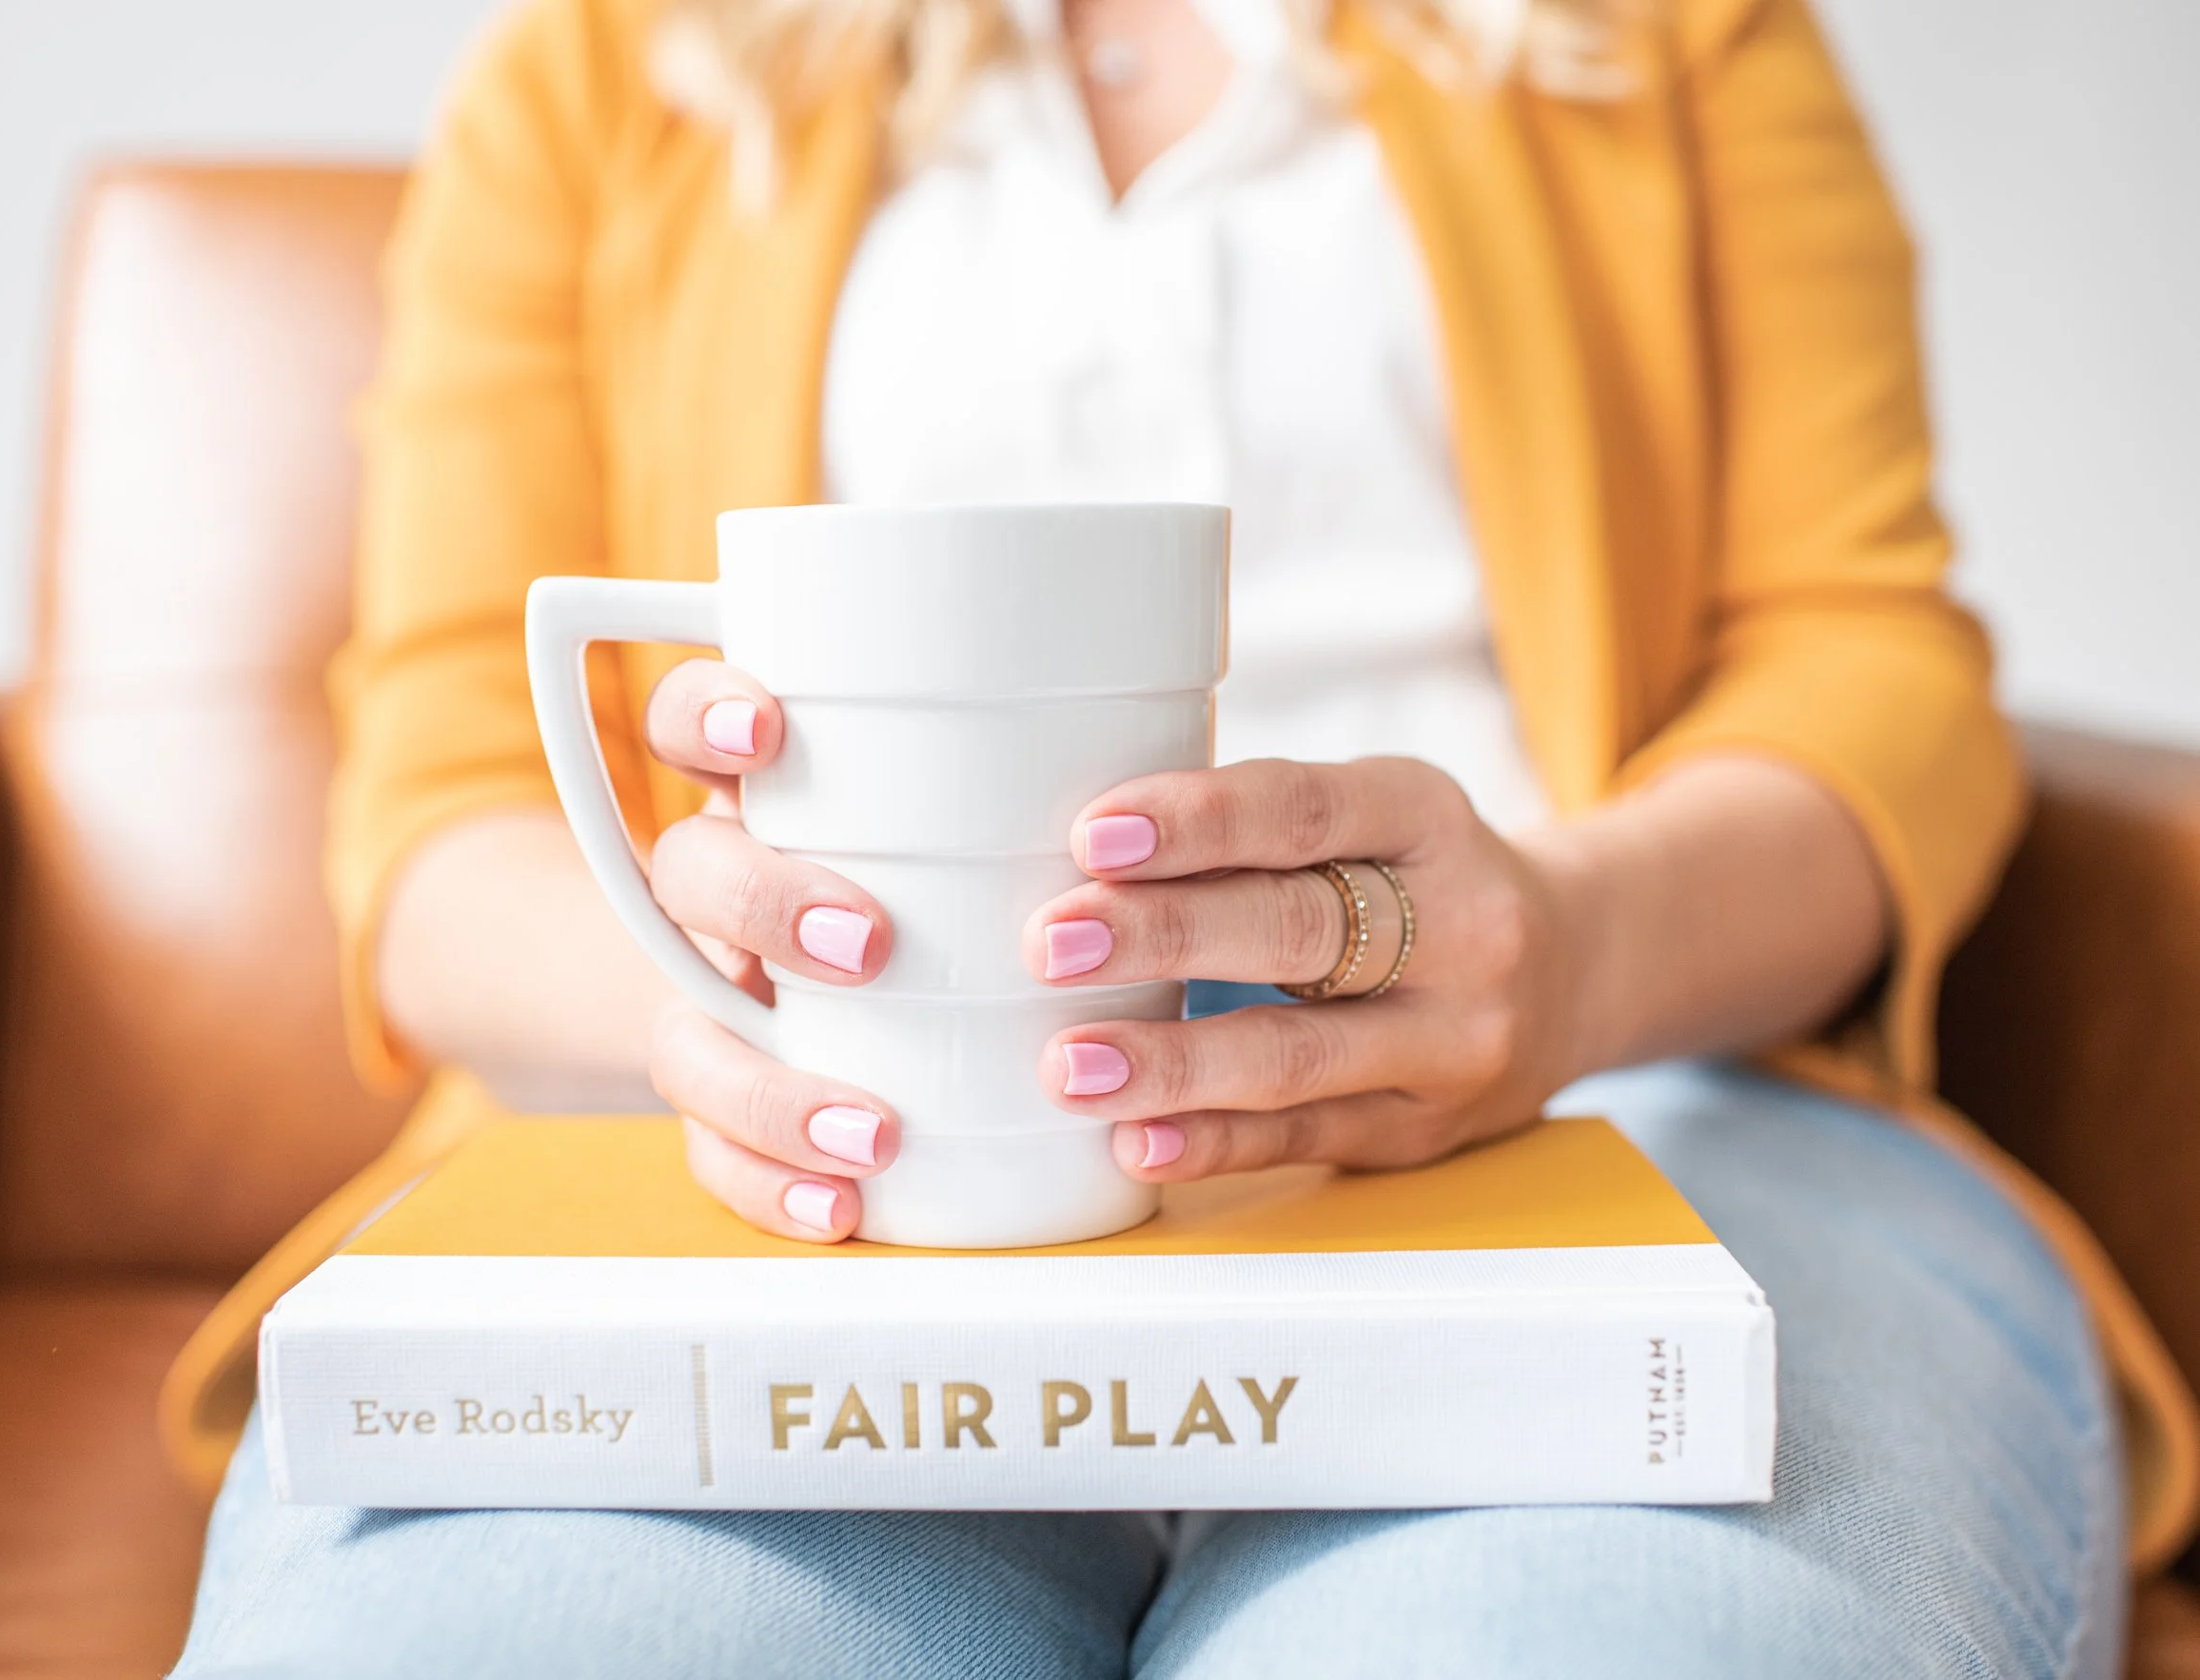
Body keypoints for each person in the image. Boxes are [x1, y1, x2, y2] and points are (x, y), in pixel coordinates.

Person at [165, 0, 2198, 1671]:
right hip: (795, 1185)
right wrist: (711, 990)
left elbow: (1867, 660)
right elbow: (437, 792)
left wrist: (1571, 945)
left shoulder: (1662, 34)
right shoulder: (613, 65)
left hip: (1618, 1099)